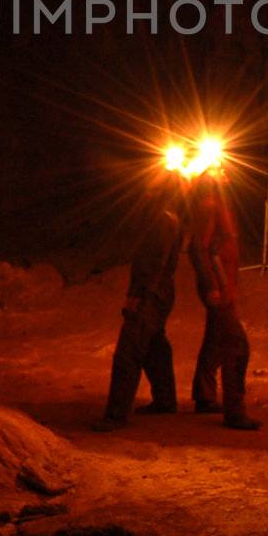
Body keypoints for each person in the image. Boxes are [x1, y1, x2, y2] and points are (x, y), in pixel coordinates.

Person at [91, 178, 185, 431]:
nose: (147, 186)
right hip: (158, 290)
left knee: (128, 352)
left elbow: (155, 263)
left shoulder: (164, 219)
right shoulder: (164, 216)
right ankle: (165, 400)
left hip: (152, 292)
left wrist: (138, 294)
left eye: (153, 185)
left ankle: (116, 415)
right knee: (155, 346)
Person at [189, 167, 260, 430]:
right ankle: (235, 411)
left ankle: (204, 397)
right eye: (220, 171)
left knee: (215, 341)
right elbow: (199, 247)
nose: (227, 172)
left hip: (225, 287)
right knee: (236, 346)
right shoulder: (210, 206)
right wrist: (212, 287)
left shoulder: (222, 204)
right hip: (218, 289)